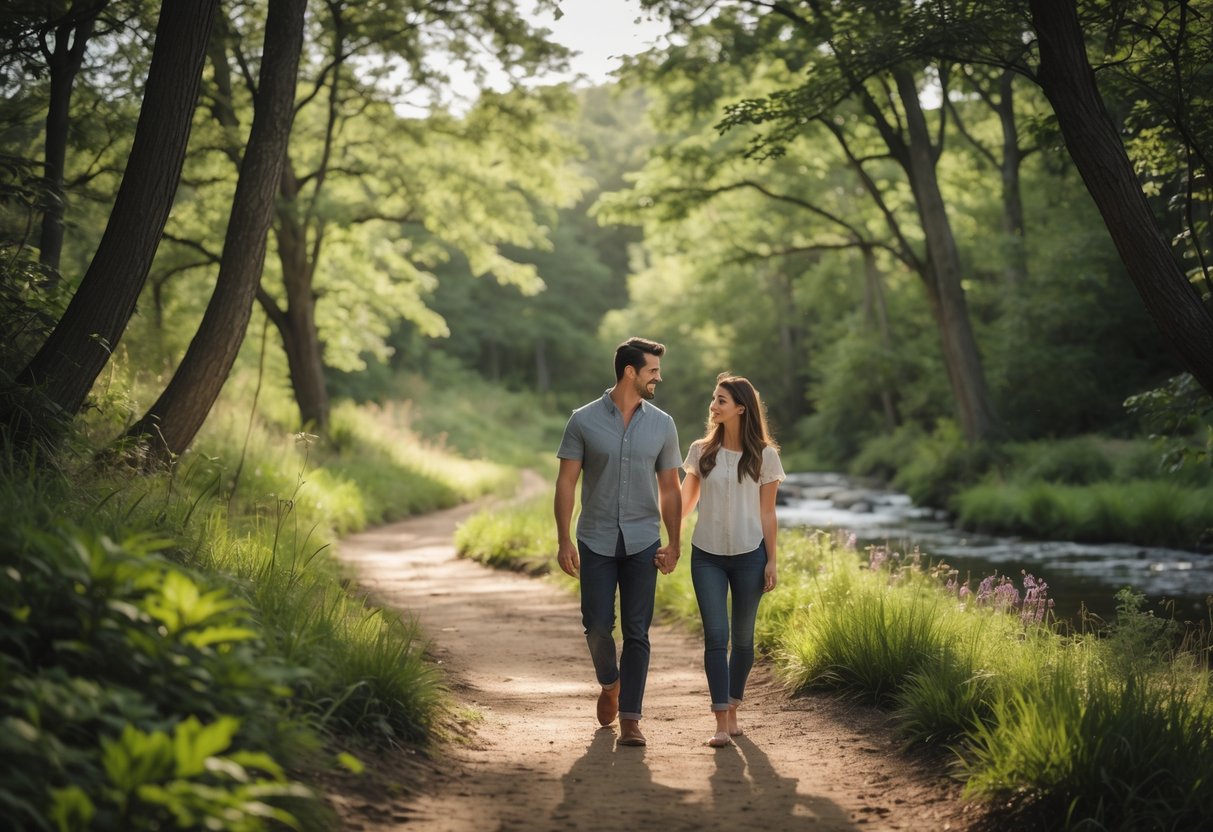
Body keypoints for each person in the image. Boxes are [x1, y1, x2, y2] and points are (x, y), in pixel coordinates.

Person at [555, 337, 682, 747]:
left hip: (644, 539)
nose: (657, 378)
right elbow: (567, 482)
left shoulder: (663, 424)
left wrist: (675, 542)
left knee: (637, 632)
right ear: (631, 371)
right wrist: (563, 539)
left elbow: (670, 488)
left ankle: (631, 719)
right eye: (652, 371)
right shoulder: (583, 420)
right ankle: (610, 683)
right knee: (596, 626)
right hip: (595, 538)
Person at [680, 373, 785, 748]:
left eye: (721, 399)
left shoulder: (765, 456)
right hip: (706, 554)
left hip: (749, 556)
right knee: (716, 637)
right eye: (713, 398)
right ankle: (721, 721)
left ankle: (734, 706)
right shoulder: (700, 451)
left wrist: (771, 560)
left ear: (741, 407)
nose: (713, 405)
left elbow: (768, 514)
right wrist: (663, 536)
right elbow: (685, 504)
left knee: (742, 642)